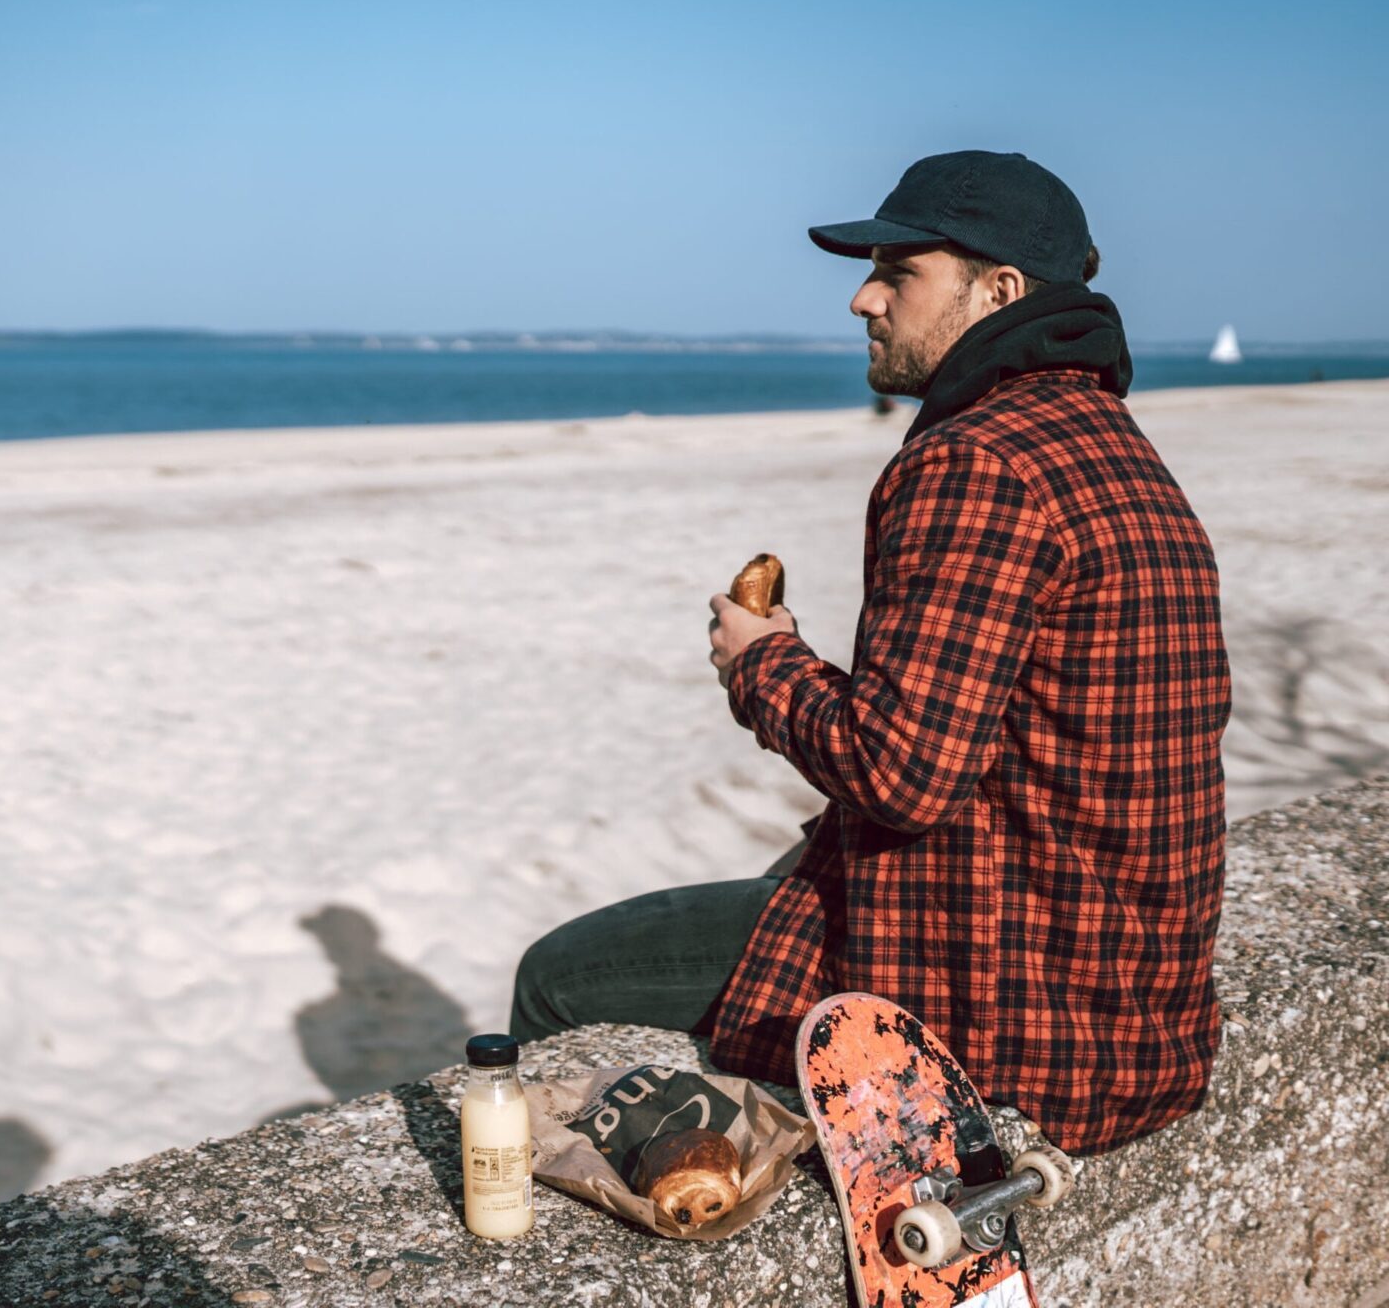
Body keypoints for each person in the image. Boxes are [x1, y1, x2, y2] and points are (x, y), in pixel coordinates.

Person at [509, 150, 1232, 1156]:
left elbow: (900, 774)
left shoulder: (976, 460)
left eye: (898, 272)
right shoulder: (1106, 439)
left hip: (1014, 1005)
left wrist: (762, 661)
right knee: (787, 865)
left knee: (560, 974)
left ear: (1001, 290)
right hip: (1128, 987)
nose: (861, 297)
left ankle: (666, 1201)